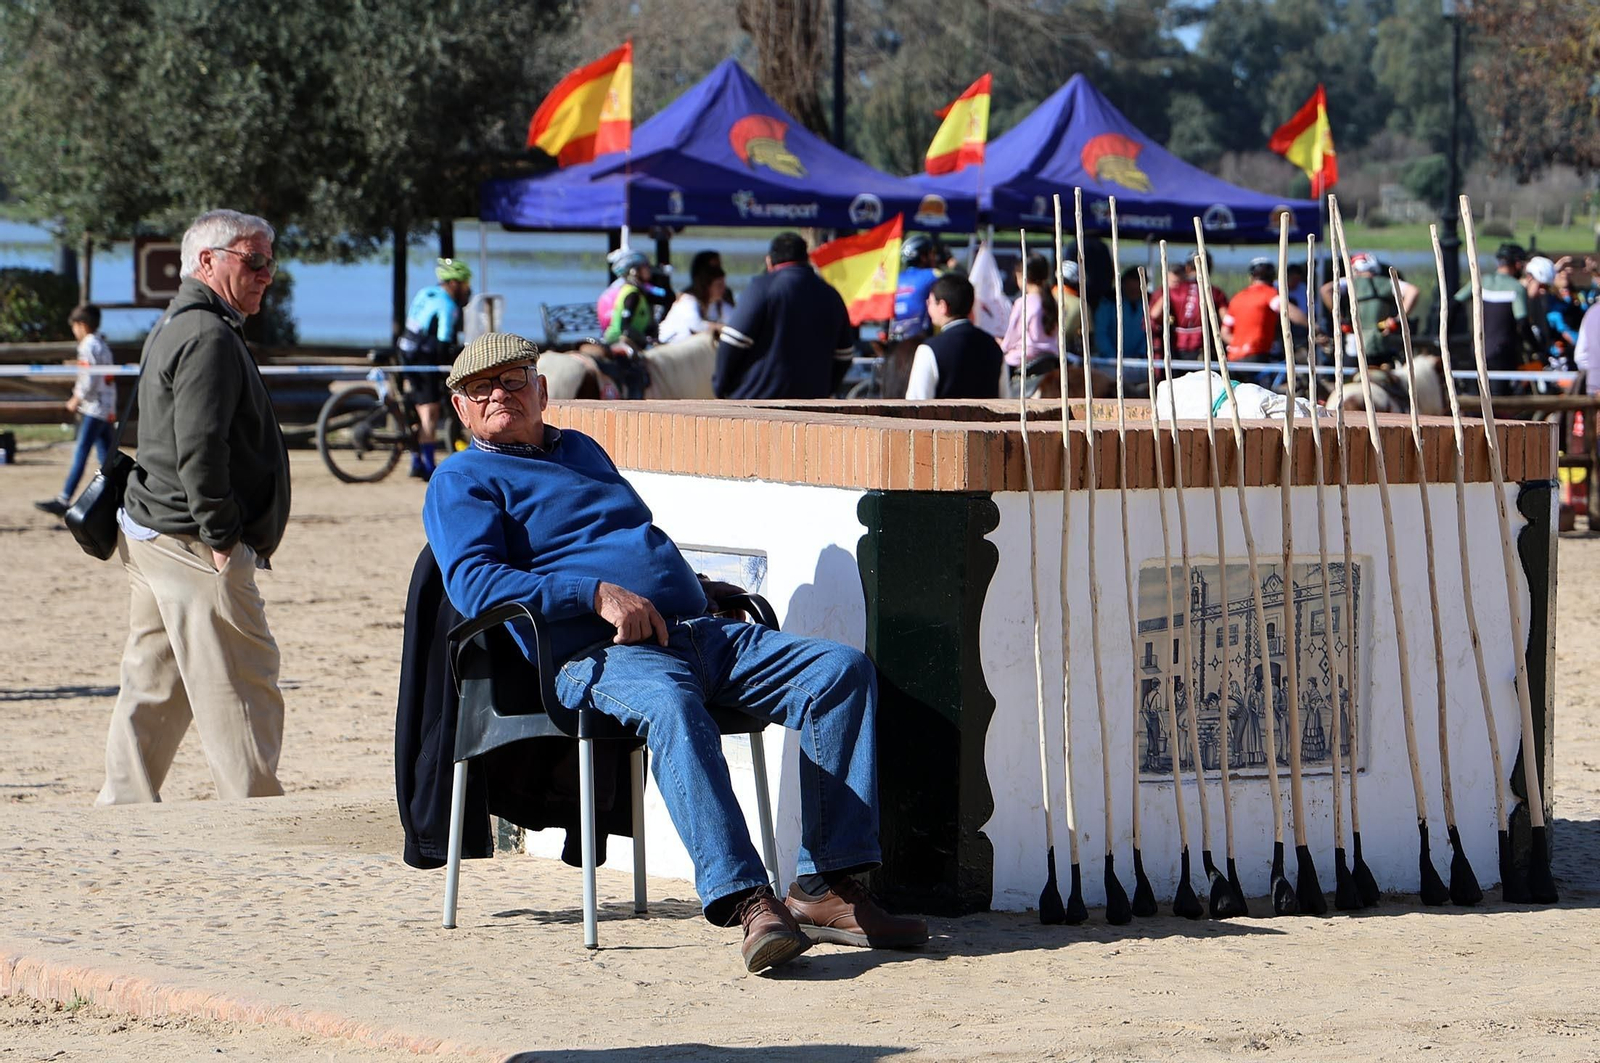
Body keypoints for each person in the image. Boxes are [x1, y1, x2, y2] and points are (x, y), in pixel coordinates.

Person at [424, 332, 927, 973]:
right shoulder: (461, 479)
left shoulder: (580, 449)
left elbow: (624, 535)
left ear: (542, 389)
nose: (500, 393)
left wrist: (693, 583)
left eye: (515, 379)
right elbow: (476, 584)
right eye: (480, 388)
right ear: (463, 411)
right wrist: (594, 594)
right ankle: (749, 900)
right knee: (672, 705)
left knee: (839, 672)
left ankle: (824, 886)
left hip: (695, 628)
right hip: (594, 655)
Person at [99, 208, 290, 805]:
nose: (265, 273)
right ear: (207, 262)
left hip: (155, 531)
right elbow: (200, 448)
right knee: (240, 682)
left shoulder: (182, 323)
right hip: (188, 541)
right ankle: (256, 813)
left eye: (269, 262)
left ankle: (122, 810)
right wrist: (223, 539)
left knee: (155, 682)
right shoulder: (207, 333)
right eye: (253, 260)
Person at [714, 232, 855, 399]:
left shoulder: (761, 288)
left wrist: (721, 387)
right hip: (812, 410)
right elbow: (845, 355)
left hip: (757, 407)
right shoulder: (832, 295)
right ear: (807, 259)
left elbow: (733, 342)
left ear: (769, 261)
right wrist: (823, 390)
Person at [35, 304, 117, 516]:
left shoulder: (88, 346)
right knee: (106, 457)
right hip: (106, 406)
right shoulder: (103, 344)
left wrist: (76, 398)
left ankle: (64, 498)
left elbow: (88, 377)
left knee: (81, 452)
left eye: (74, 327)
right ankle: (119, 496)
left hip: (93, 407)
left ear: (82, 325)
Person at [396, 259, 472, 481]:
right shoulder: (448, 305)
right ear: (455, 283)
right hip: (424, 358)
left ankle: (415, 461)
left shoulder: (426, 293)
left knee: (418, 411)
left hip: (405, 352)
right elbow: (443, 343)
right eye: (466, 283)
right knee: (430, 413)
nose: (467, 288)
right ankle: (429, 466)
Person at [904, 274, 1004, 400]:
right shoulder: (994, 346)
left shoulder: (929, 349)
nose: (928, 306)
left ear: (942, 306)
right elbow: (1005, 398)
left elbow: (916, 403)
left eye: (930, 302)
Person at [1454, 242, 1534, 388]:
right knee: (1498, 400)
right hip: (1502, 353)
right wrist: (1535, 347)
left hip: (1477, 349)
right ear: (1517, 264)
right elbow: (1522, 322)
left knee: (1476, 394)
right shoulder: (1516, 288)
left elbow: (1455, 302)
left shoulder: (1481, 281)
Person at [1321, 252, 1418, 366]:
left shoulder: (1350, 282)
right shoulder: (1388, 283)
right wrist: (1398, 319)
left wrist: (1340, 317)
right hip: (1381, 344)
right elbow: (1413, 291)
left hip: (1354, 348)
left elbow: (1325, 290)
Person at [1223, 258, 1306, 362]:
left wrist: (1241, 344)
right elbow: (1288, 310)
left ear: (1251, 278)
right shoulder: (1270, 294)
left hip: (1233, 357)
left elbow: (1225, 332)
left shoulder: (1237, 298)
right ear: (1272, 278)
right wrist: (1314, 327)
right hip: (1257, 355)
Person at [1149, 250, 1226, 357]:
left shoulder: (1173, 290)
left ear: (1187, 268)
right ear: (1209, 268)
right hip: (1204, 348)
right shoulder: (1215, 292)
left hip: (1176, 347)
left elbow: (1154, 314)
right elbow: (1225, 320)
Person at [999, 253, 1060, 372]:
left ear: (1022, 276)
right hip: (1051, 357)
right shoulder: (1054, 302)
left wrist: (1001, 345)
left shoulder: (1023, 303)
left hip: (1024, 357)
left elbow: (1011, 337)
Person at [659, 250, 732, 344]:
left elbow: (736, 324)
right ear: (705, 284)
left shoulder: (719, 306)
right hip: (668, 350)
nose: (723, 288)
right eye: (719, 285)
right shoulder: (687, 300)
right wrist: (723, 328)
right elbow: (696, 325)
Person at [1093, 266, 1152, 374]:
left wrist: (1141, 353)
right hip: (1110, 362)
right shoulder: (1109, 302)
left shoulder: (1151, 303)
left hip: (1142, 363)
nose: (1134, 293)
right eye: (1131, 290)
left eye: (1137, 290)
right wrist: (1112, 356)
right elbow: (1101, 331)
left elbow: (1152, 331)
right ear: (1123, 285)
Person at [888, 234, 943, 342]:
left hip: (895, 338)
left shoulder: (894, 279)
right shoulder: (933, 274)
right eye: (932, 253)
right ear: (923, 257)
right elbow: (958, 288)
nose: (934, 258)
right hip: (925, 339)